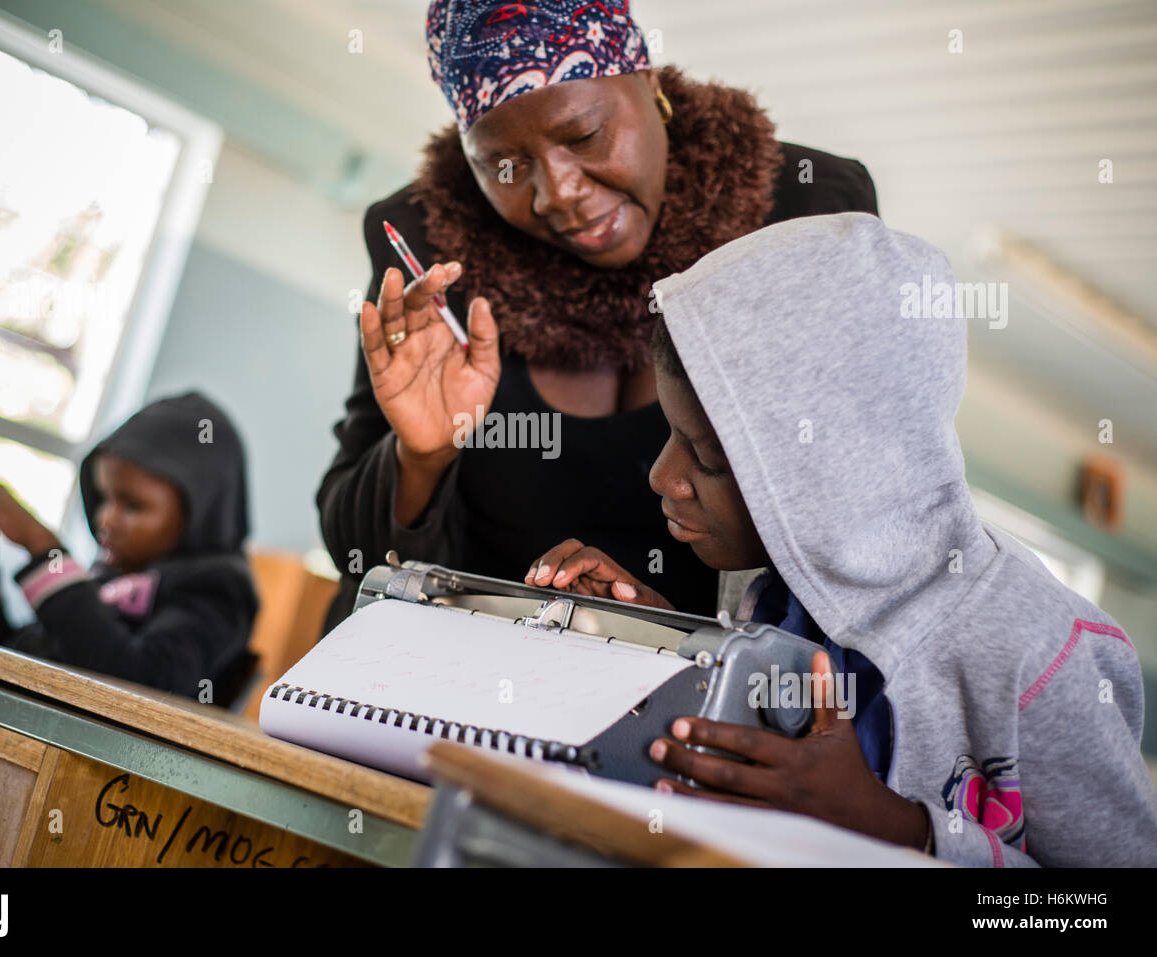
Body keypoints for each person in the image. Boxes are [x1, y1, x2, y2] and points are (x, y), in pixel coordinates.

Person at [526, 212, 1157, 866]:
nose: (663, 475)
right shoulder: (783, 583)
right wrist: (671, 655)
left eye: (708, 458)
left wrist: (897, 830)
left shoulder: (1040, 651)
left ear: (831, 476)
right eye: (673, 434)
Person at [316, 0, 879, 632]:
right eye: (507, 165)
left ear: (649, 83)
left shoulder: (806, 212)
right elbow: (357, 555)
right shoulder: (431, 244)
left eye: (583, 136)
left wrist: (695, 642)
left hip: (694, 690)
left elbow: (851, 513)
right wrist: (420, 456)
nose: (558, 193)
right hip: (446, 671)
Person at [0, 391, 259, 707]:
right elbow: (27, 660)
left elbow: (138, 682)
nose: (106, 518)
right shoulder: (113, 571)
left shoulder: (220, 589)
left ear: (199, 510)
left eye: (132, 506)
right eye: (104, 497)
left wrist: (43, 547)